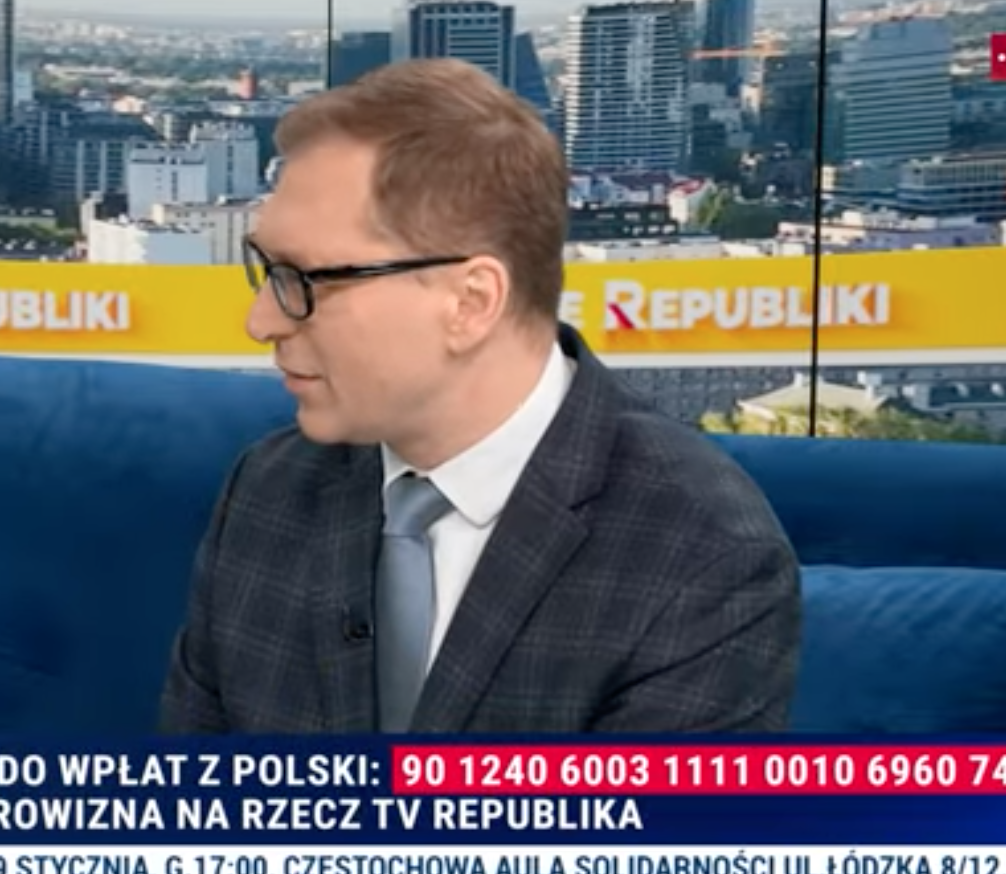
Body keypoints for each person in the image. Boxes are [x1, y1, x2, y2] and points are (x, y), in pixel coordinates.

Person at [159, 58, 800, 734]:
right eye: (266, 269)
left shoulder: (706, 558)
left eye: (305, 280)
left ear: (470, 302)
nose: (261, 320)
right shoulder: (267, 488)